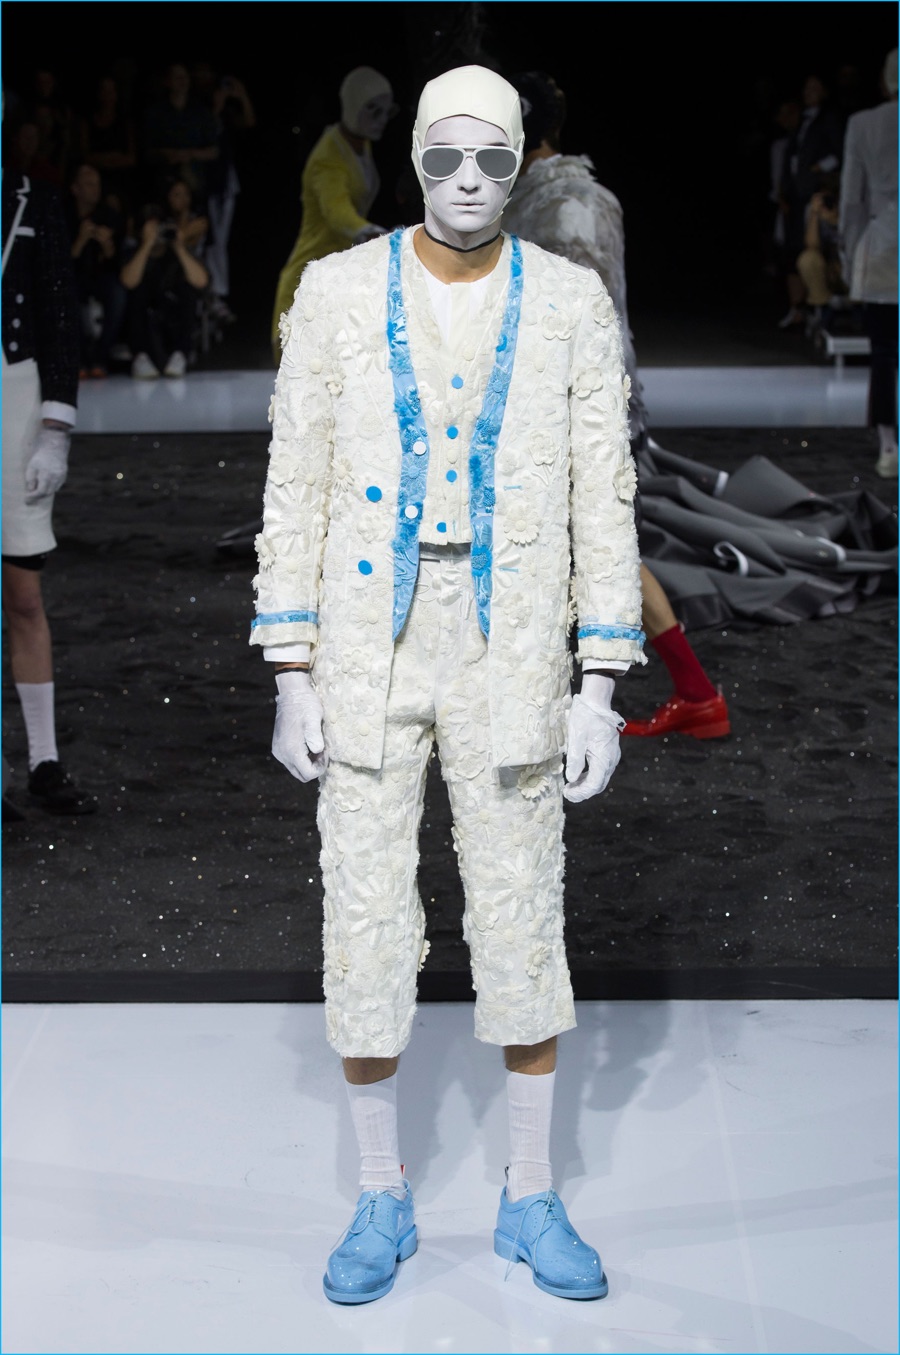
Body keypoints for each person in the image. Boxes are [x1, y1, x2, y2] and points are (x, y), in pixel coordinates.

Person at [252, 64, 645, 1304]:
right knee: (364, 919)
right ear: (414, 158)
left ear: (520, 165)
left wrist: (599, 678)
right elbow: (296, 480)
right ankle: (382, 1193)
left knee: (523, 917)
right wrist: (291, 668)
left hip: (511, 641)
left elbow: (603, 493)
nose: (467, 184)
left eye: (491, 161)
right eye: (442, 159)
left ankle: (530, 1193)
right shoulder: (336, 292)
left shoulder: (570, 303)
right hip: (366, 644)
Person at [502, 70, 729, 740]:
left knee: (577, 548)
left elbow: (581, 318)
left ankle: (691, 692)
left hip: (567, 405)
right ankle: (695, 694)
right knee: (590, 549)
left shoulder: (563, 207)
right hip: (570, 402)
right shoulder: (556, 199)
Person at [2, 164, 97, 818]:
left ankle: (43, 760)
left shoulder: (34, 198)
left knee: (24, 594)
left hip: (17, 405)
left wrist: (55, 431)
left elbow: (61, 317)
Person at [270, 66, 397, 362]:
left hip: (339, 277)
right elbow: (336, 211)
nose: (381, 120)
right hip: (310, 280)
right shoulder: (328, 157)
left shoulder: (359, 144)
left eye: (386, 111)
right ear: (352, 106)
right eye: (372, 110)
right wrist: (369, 231)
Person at [839, 47, 898, 479]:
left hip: (882, 246)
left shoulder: (864, 124)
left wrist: (848, 254)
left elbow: (851, 199)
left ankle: (888, 446)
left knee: (883, 351)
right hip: (882, 242)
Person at [776, 73, 844, 330]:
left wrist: (817, 170)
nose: (809, 92)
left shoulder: (828, 119)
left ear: (825, 91)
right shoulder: (803, 120)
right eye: (806, 87)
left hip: (816, 193)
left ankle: (819, 307)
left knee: (813, 250)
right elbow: (791, 158)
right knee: (793, 252)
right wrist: (785, 191)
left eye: (814, 88)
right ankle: (798, 310)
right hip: (796, 195)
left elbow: (839, 152)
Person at [120, 186, 209, 380]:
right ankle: (140, 356)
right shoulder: (134, 253)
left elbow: (201, 281)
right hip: (144, 314)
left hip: (172, 311)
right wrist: (146, 244)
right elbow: (128, 282)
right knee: (136, 292)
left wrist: (179, 247)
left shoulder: (176, 252)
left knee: (187, 290)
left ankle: (180, 354)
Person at [64, 161, 127, 378]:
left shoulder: (109, 215)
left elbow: (117, 263)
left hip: (101, 277)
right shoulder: (63, 215)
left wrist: (108, 247)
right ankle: (80, 359)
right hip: (73, 277)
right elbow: (59, 264)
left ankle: (101, 357)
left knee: (118, 293)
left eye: (97, 184)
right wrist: (80, 241)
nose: (95, 189)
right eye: (89, 184)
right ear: (75, 189)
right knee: (65, 292)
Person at [141, 63, 220, 210]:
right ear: (167, 81)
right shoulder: (156, 113)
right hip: (165, 182)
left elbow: (214, 150)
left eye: (185, 77)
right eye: (177, 77)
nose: (182, 81)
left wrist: (189, 154)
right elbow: (148, 151)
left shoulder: (200, 111)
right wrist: (169, 154)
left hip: (196, 183)